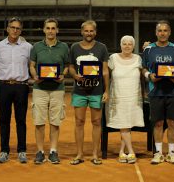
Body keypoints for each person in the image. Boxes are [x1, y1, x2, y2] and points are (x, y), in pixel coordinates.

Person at [142, 20, 174, 165]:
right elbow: (143, 68)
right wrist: (149, 76)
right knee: (158, 123)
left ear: (169, 32)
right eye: (160, 31)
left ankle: (172, 153)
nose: (162, 33)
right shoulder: (148, 49)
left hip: (173, 91)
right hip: (155, 91)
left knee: (172, 123)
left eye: (165, 30)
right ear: (156, 32)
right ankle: (158, 153)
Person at [69, 20, 109, 165]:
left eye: (91, 31)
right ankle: (79, 154)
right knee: (79, 122)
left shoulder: (102, 48)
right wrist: (75, 76)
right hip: (79, 91)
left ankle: (95, 154)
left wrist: (107, 90)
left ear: (95, 32)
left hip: (96, 91)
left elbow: (105, 71)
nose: (89, 33)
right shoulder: (74, 47)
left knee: (96, 122)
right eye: (86, 31)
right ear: (82, 32)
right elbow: (71, 66)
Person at [29, 18, 69, 164]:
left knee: (55, 122)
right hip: (40, 89)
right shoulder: (36, 47)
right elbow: (32, 65)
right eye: (48, 28)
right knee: (39, 122)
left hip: (57, 89)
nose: (51, 31)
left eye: (53, 28)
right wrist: (35, 76)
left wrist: (63, 75)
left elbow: (67, 65)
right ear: (44, 30)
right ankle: (40, 152)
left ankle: (53, 151)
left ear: (57, 30)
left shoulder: (64, 47)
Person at [0, 17, 32, 163]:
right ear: (7, 29)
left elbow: (30, 65)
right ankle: (4, 151)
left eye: (18, 28)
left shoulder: (28, 47)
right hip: (3, 86)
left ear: (21, 30)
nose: (15, 30)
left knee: (21, 120)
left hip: (21, 86)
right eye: (12, 27)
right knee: (4, 120)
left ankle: (22, 150)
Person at [106, 35, 144, 164]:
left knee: (126, 124)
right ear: (120, 45)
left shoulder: (138, 59)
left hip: (133, 97)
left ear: (133, 46)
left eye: (130, 44)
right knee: (124, 124)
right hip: (118, 97)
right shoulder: (113, 58)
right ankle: (131, 151)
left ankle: (122, 151)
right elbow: (106, 75)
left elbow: (144, 76)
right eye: (124, 43)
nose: (127, 46)